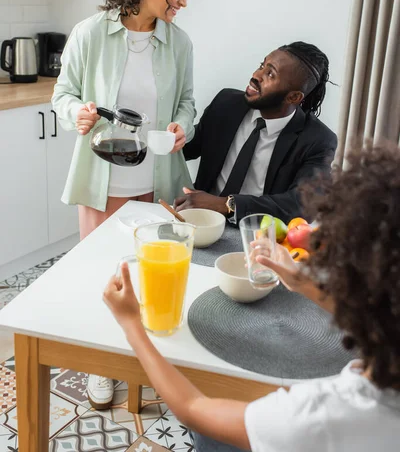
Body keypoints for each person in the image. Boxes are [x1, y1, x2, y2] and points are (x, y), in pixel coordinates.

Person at [104, 143, 400, 451]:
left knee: (211, 433)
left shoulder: (320, 418)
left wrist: (131, 325)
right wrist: (302, 283)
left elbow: (192, 409)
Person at [52, 0, 196, 410]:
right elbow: (63, 93)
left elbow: (187, 103)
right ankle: (100, 367)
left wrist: (182, 126)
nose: (182, 1)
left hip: (157, 185)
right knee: (104, 277)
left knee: (149, 281)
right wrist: (78, 113)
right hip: (103, 181)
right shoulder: (91, 32)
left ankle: (145, 363)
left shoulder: (179, 43)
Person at [175, 42, 337, 224]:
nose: (255, 75)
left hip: (259, 235)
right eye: (262, 66)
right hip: (200, 221)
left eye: (270, 74)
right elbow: (187, 147)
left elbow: (302, 206)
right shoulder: (226, 104)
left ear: (293, 97)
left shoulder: (318, 140)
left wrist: (227, 205)